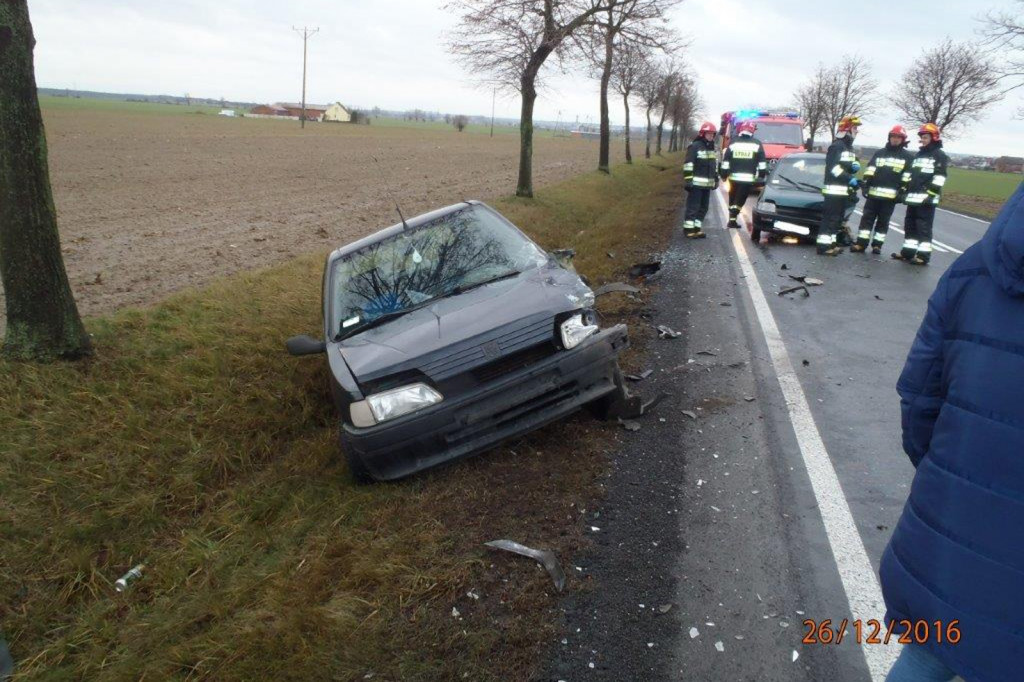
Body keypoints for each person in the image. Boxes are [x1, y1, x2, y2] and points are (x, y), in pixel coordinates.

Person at [880, 182, 1024, 682]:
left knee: (928, 655)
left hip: (948, 539)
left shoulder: (973, 269)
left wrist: (954, 474)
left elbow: (921, 401)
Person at [892, 123, 948, 266]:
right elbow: (911, 175)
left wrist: (930, 194)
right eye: (922, 137)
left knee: (923, 228)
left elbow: (940, 177)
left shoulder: (939, 155)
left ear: (933, 137)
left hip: (927, 200)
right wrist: (903, 190)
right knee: (910, 226)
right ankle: (908, 253)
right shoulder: (919, 155)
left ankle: (923, 256)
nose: (922, 140)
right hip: (913, 199)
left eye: (925, 137)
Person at [852, 125, 913, 254]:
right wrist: (866, 186)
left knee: (883, 222)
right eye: (893, 136)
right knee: (866, 220)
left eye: (898, 137)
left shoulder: (907, 157)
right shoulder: (879, 153)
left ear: (902, 140)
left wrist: (901, 192)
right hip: (873, 196)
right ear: (889, 137)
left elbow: (907, 177)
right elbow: (870, 170)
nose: (895, 139)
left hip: (890, 198)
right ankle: (861, 244)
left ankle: (877, 245)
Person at [817, 115, 861, 256]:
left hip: (843, 191)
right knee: (829, 219)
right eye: (854, 128)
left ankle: (832, 244)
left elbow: (845, 165)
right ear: (847, 129)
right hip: (834, 191)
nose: (857, 131)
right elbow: (834, 169)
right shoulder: (837, 146)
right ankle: (823, 247)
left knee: (837, 220)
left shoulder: (848, 147)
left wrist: (854, 166)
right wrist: (849, 179)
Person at [719, 120, 766, 228]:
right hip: (747, 180)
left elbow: (726, 160)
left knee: (732, 197)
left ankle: (732, 220)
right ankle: (733, 219)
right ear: (752, 130)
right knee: (740, 200)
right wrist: (761, 176)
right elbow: (762, 163)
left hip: (733, 178)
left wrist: (724, 174)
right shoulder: (757, 143)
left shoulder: (733, 142)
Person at [681, 121, 719, 239]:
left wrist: (716, 179)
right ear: (702, 134)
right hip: (696, 185)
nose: (711, 136)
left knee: (704, 208)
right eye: (709, 134)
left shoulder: (712, 147)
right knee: (693, 208)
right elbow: (688, 164)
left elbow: (714, 165)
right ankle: (688, 230)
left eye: (713, 134)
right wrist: (688, 180)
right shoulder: (695, 146)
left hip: (707, 186)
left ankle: (697, 229)